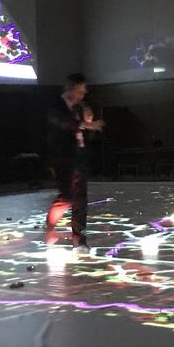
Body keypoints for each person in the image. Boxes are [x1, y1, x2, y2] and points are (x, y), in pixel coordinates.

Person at [46, 73, 104, 251]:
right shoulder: (55, 106)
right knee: (66, 197)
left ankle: (79, 241)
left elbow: (86, 133)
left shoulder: (80, 108)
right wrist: (85, 125)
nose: (82, 94)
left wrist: (89, 122)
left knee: (80, 201)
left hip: (80, 157)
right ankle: (49, 229)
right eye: (79, 91)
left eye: (84, 91)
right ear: (69, 89)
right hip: (62, 158)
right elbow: (64, 123)